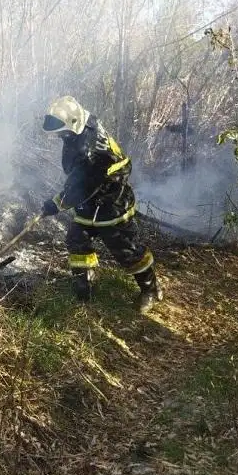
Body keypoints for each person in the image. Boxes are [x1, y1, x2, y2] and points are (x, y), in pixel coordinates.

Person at [40, 96, 164, 313]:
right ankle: (85, 281)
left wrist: (56, 204)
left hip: (111, 200)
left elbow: (84, 185)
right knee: (77, 238)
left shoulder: (93, 150)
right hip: (90, 200)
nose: (59, 136)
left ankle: (151, 289)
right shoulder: (81, 127)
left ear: (73, 124)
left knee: (126, 249)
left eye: (62, 131)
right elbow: (78, 178)